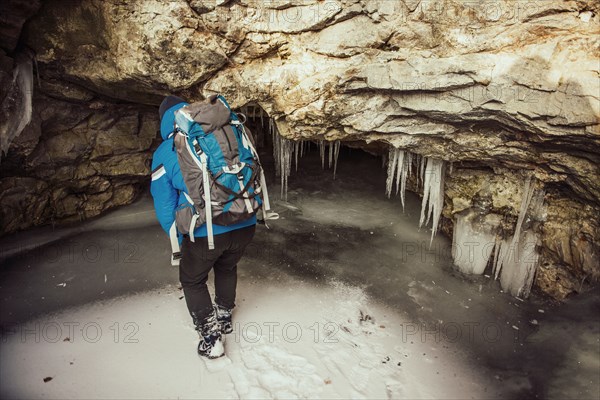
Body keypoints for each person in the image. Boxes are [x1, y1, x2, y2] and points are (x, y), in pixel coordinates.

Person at [150, 95, 257, 359]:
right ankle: (224, 316)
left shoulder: (168, 150)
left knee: (192, 279)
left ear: (165, 120)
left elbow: (165, 206)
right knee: (227, 266)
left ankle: (211, 337)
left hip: (206, 230)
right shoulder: (228, 132)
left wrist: (178, 237)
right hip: (246, 220)